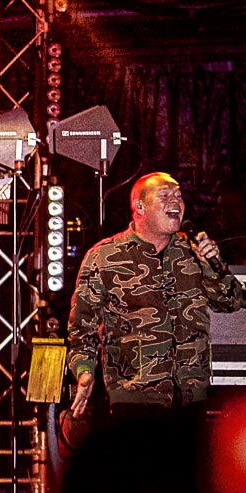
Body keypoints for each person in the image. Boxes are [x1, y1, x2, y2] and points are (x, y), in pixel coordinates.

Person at [64, 170, 246, 417]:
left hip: (192, 401)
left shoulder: (192, 251)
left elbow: (232, 302)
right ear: (140, 206)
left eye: (178, 195)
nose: (175, 201)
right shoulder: (104, 257)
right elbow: (81, 329)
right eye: (164, 195)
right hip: (134, 402)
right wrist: (84, 371)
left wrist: (209, 265)